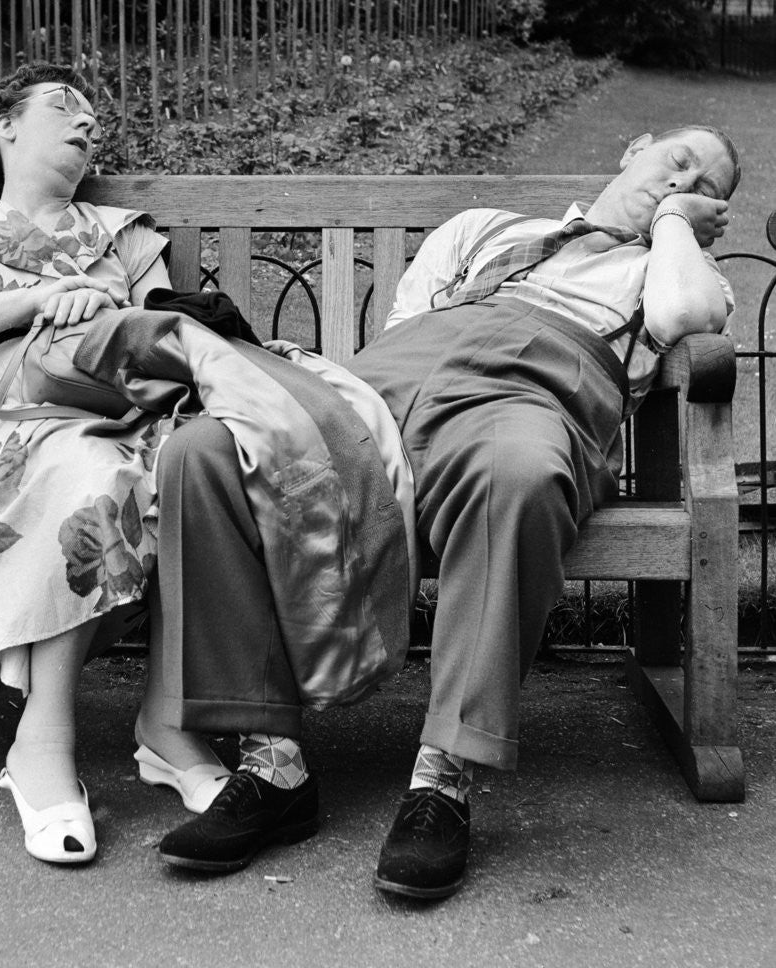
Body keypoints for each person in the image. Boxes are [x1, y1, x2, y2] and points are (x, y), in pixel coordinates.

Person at [152, 125, 741, 897]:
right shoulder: (486, 229)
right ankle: (274, 768)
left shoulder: (673, 269)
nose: (681, 182)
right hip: (387, 390)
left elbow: (678, 319)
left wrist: (669, 226)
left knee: (519, 476)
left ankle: (443, 779)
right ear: (632, 147)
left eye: (703, 187)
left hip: (525, 395)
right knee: (204, 452)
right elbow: (407, 328)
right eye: (677, 161)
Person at [0, 62, 226, 865]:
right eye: (63, 108)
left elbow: (168, 332)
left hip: (129, 411)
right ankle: (49, 738)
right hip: (7, 422)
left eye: (93, 119)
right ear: (6, 125)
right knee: (86, 470)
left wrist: (107, 303)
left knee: (188, 470)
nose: (86, 124)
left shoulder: (126, 234)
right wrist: (37, 300)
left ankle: (159, 722)